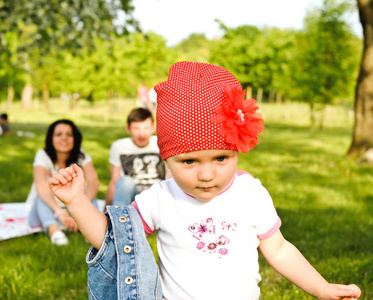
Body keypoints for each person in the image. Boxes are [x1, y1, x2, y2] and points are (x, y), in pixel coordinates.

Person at [49, 62, 361, 299]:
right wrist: (76, 201)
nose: (207, 174)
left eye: (221, 158)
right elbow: (113, 241)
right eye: (189, 161)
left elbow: (278, 250)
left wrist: (321, 287)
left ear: (238, 151)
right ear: (166, 159)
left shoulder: (250, 193)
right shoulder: (161, 197)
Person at [27, 119, 100, 245]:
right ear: (51, 138)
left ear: (75, 138)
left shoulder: (81, 154)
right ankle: (53, 230)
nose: (64, 138)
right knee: (44, 189)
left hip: (71, 205)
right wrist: (60, 213)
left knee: (87, 188)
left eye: (69, 134)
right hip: (46, 210)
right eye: (59, 134)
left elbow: (94, 182)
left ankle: (90, 229)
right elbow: (40, 184)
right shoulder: (43, 155)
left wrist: (80, 210)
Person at [105, 107, 166, 207]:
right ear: (128, 129)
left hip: (157, 197)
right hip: (131, 199)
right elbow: (114, 181)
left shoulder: (161, 143)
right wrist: (106, 211)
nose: (141, 134)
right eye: (136, 128)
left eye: (146, 128)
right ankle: (118, 219)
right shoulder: (119, 146)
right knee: (125, 181)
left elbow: (171, 176)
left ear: (153, 128)